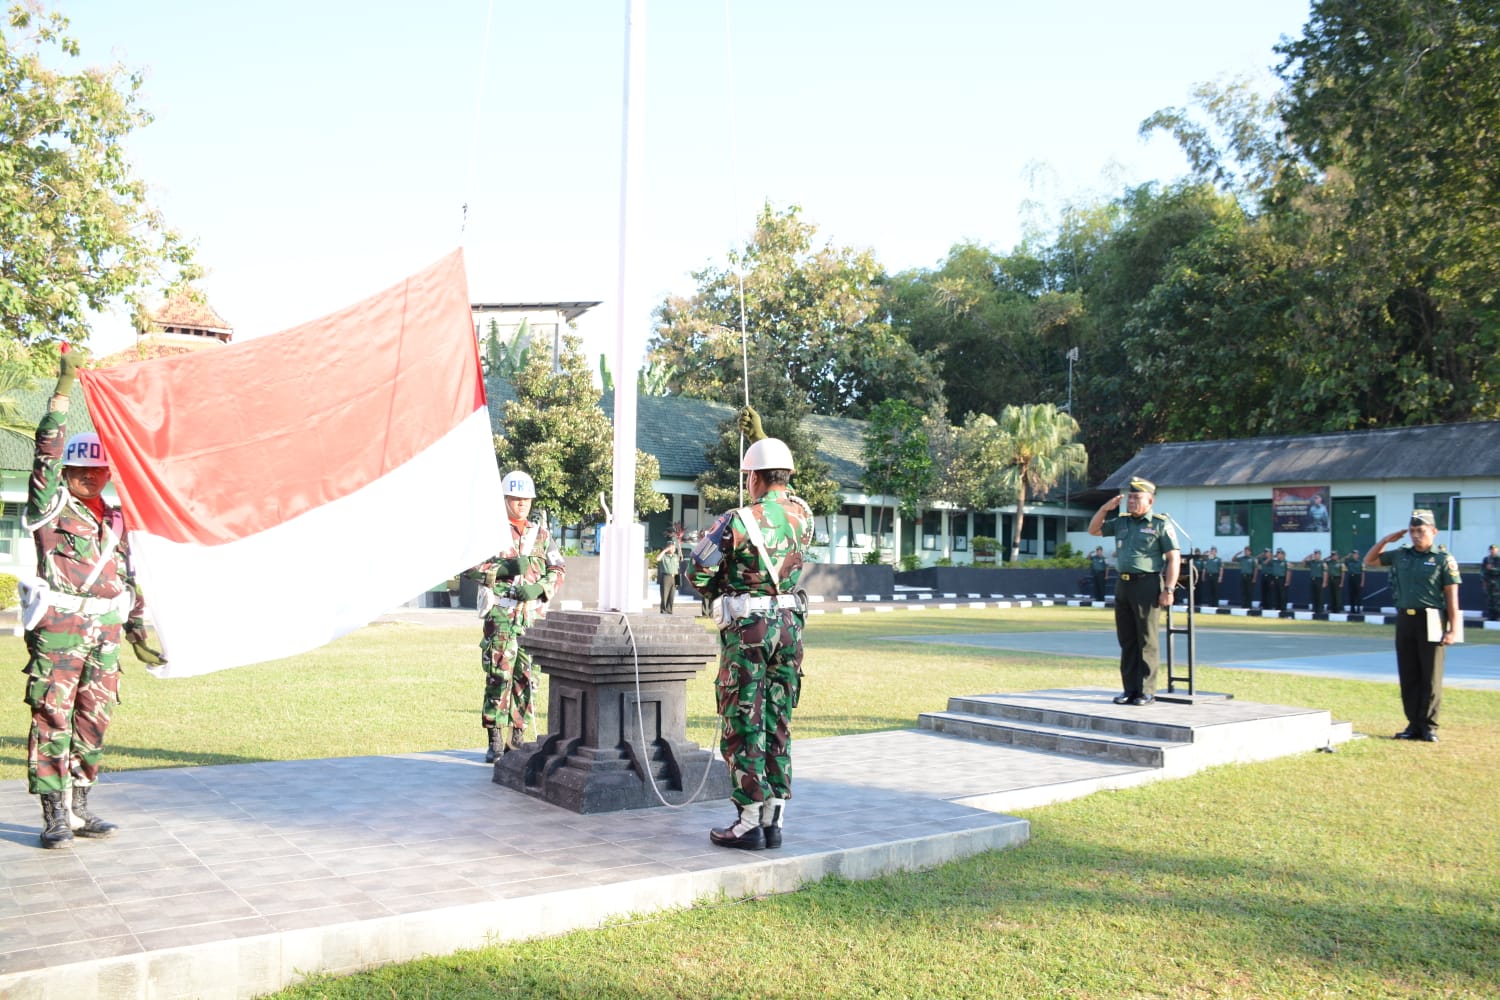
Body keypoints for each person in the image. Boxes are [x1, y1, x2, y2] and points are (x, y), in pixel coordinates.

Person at [21, 351, 164, 849]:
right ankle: (53, 815)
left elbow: (128, 579)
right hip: (60, 628)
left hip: (104, 631)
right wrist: (62, 394)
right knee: (52, 717)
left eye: (98, 470)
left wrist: (140, 632)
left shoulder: (116, 520)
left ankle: (80, 809)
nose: (90, 476)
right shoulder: (50, 506)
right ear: (67, 472)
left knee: (94, 717)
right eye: (81, 469)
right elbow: (45, 451)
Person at [690, 407, 812, 851]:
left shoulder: (737, 520)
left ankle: (747, 821)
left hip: (750, 631)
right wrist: (764, 438)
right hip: (790, 629)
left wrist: (728, 588)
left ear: (753, 479)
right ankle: (775, 816)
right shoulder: (803, 517)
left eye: (749, 477)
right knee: (779, 717)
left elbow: (697, 572)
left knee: (745, 717)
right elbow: (788, 499)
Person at [470, 469, 565, 764]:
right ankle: (495, 739)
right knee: (499, 675)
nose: (521, 504)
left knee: (527, 678)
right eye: (515, 498)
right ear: (505, 499)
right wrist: (505, 570)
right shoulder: (490, 532)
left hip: (530, 616)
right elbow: (470, 568)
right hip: (501, 612)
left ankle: (518, 738)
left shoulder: (542, 535)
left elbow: (558, 568)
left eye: (526, 499)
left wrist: (540, 588)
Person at [1365, 510, 1461, 742]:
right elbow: (1369, 561)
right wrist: (1386, 540)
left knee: (1430, 676)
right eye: (1412, 531)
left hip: (1432, 619)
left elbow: (1451, 596)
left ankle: (1428, 726)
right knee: (1409, 674)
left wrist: (1453, 629)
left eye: (1421, 531)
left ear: (1434, 532)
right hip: (1405, 619)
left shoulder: (1443, 559)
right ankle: (1412, 724)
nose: (1416, 535)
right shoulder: (1401, 555)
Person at [1088, 477, 1180, 707]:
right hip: (1124, 584)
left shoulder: (1160, 524)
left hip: (1147, 584)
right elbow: (1094, 530)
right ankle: (1129, 689)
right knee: (1127, 639)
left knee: (1146, 639)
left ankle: (1147, 691)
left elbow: (1173, 558)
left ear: (1149, 500)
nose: (1131, 501)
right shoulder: (1121, 522)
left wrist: (1168, 589)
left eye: (1137, 498)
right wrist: (1104, 508)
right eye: (1130, 497)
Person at [656, 540, 681, 614]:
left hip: (675, 576)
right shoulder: (664, 556)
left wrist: (678, 581)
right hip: (666, 577)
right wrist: (665, 550)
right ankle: (663, 610)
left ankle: (670, 610)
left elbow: (677, 568)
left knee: (672, 595)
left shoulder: (676, 556)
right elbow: (657, 559)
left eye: (673, 547)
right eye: (671, 547)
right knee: (664, 594)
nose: (673, 549)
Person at [1304, 549, 1327, 613]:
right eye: (1315, 554)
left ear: (1320, 555)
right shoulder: (1312, 562)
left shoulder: (1323, 563)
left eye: (1317, 554)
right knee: (1313, 595)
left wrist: (1324, 582)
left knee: (1320, 595)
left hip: (1319, 580)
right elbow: (1303, 562)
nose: (1316, 556)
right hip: (1312, 579)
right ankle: (1314, 608)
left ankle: (1320, 608)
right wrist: (1308, 557)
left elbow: (1325, 573)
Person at [1268, 548, 1290, 612]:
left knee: (1282, 595)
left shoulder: (1286, 562)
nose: (1278, 555)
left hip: (1282, 579)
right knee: (1275, 594)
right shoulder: (1274, 561)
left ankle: (1283, 608)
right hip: (1275, 578)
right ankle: (1277, 608)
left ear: (1283, 555)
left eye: (1279, 554)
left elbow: (1288, 572)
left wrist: (1287, 581)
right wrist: (1273, 556)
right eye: (1277, 554)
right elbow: (1266, 562)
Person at [1482, 544, 1500, 621]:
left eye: (1494, 549)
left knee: (1498, 600)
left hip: (1497, 582)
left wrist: (1492, 569)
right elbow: (1482, 570)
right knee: (1490, 600)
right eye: (1491, 549)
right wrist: (1483, 581)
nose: (1492, 551)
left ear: (1497, 550)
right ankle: (1491, 615)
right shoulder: (1486, 559)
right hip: (1489, 582)